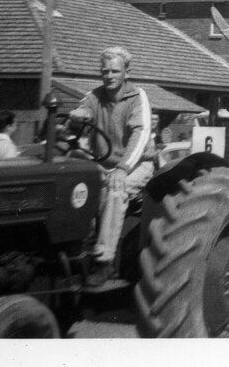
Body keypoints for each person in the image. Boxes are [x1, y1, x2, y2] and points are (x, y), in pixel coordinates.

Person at [67, 46, 153, 285]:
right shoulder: (94, 96)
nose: (109, 76)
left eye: (115, 71)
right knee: (73, 184)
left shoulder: (137, 98)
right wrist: (76, 118)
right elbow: (80, 113)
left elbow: (141, 135)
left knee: (115, 190)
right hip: (102, 165)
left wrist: (123, 168)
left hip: (137, 164)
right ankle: (74, 250)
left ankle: (103, 261)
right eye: (105, 71)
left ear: (127, 72)